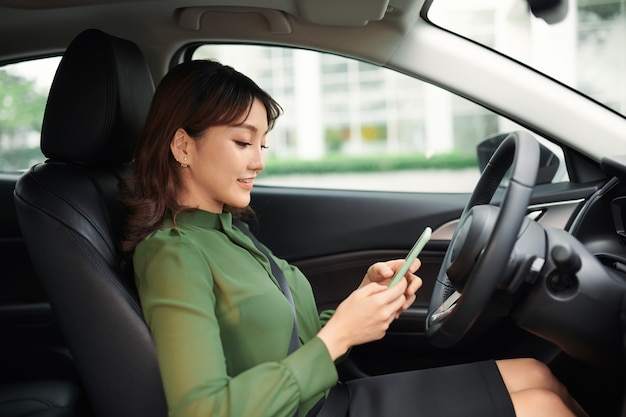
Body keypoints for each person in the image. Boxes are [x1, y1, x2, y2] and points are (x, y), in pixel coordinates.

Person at [121, 59, 587, 417]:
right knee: (539, 408)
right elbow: (202, 410)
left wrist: (362, 304)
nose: (259, 160)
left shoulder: (229, 231)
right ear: (183, 145)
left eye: (263, 143)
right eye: (243, 142)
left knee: (536, 374)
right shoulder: (173, 252)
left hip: (328, 398)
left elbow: (279, 334)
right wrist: (340, 335)